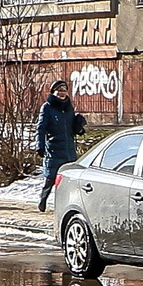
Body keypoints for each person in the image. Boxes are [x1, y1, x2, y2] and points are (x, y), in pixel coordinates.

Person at [35, 80, 87, 212]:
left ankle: (65, 205)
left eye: (64, 91)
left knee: (69, 180)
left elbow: (71, 128)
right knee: (51, 178)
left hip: (69, 149)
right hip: (54, 149)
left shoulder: (69, 107)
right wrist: (40, 146)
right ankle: (43, 198)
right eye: (59, 91)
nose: (62, 93)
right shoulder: (47, 107)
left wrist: (79, 127)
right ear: (54, 92)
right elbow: (41, 128)